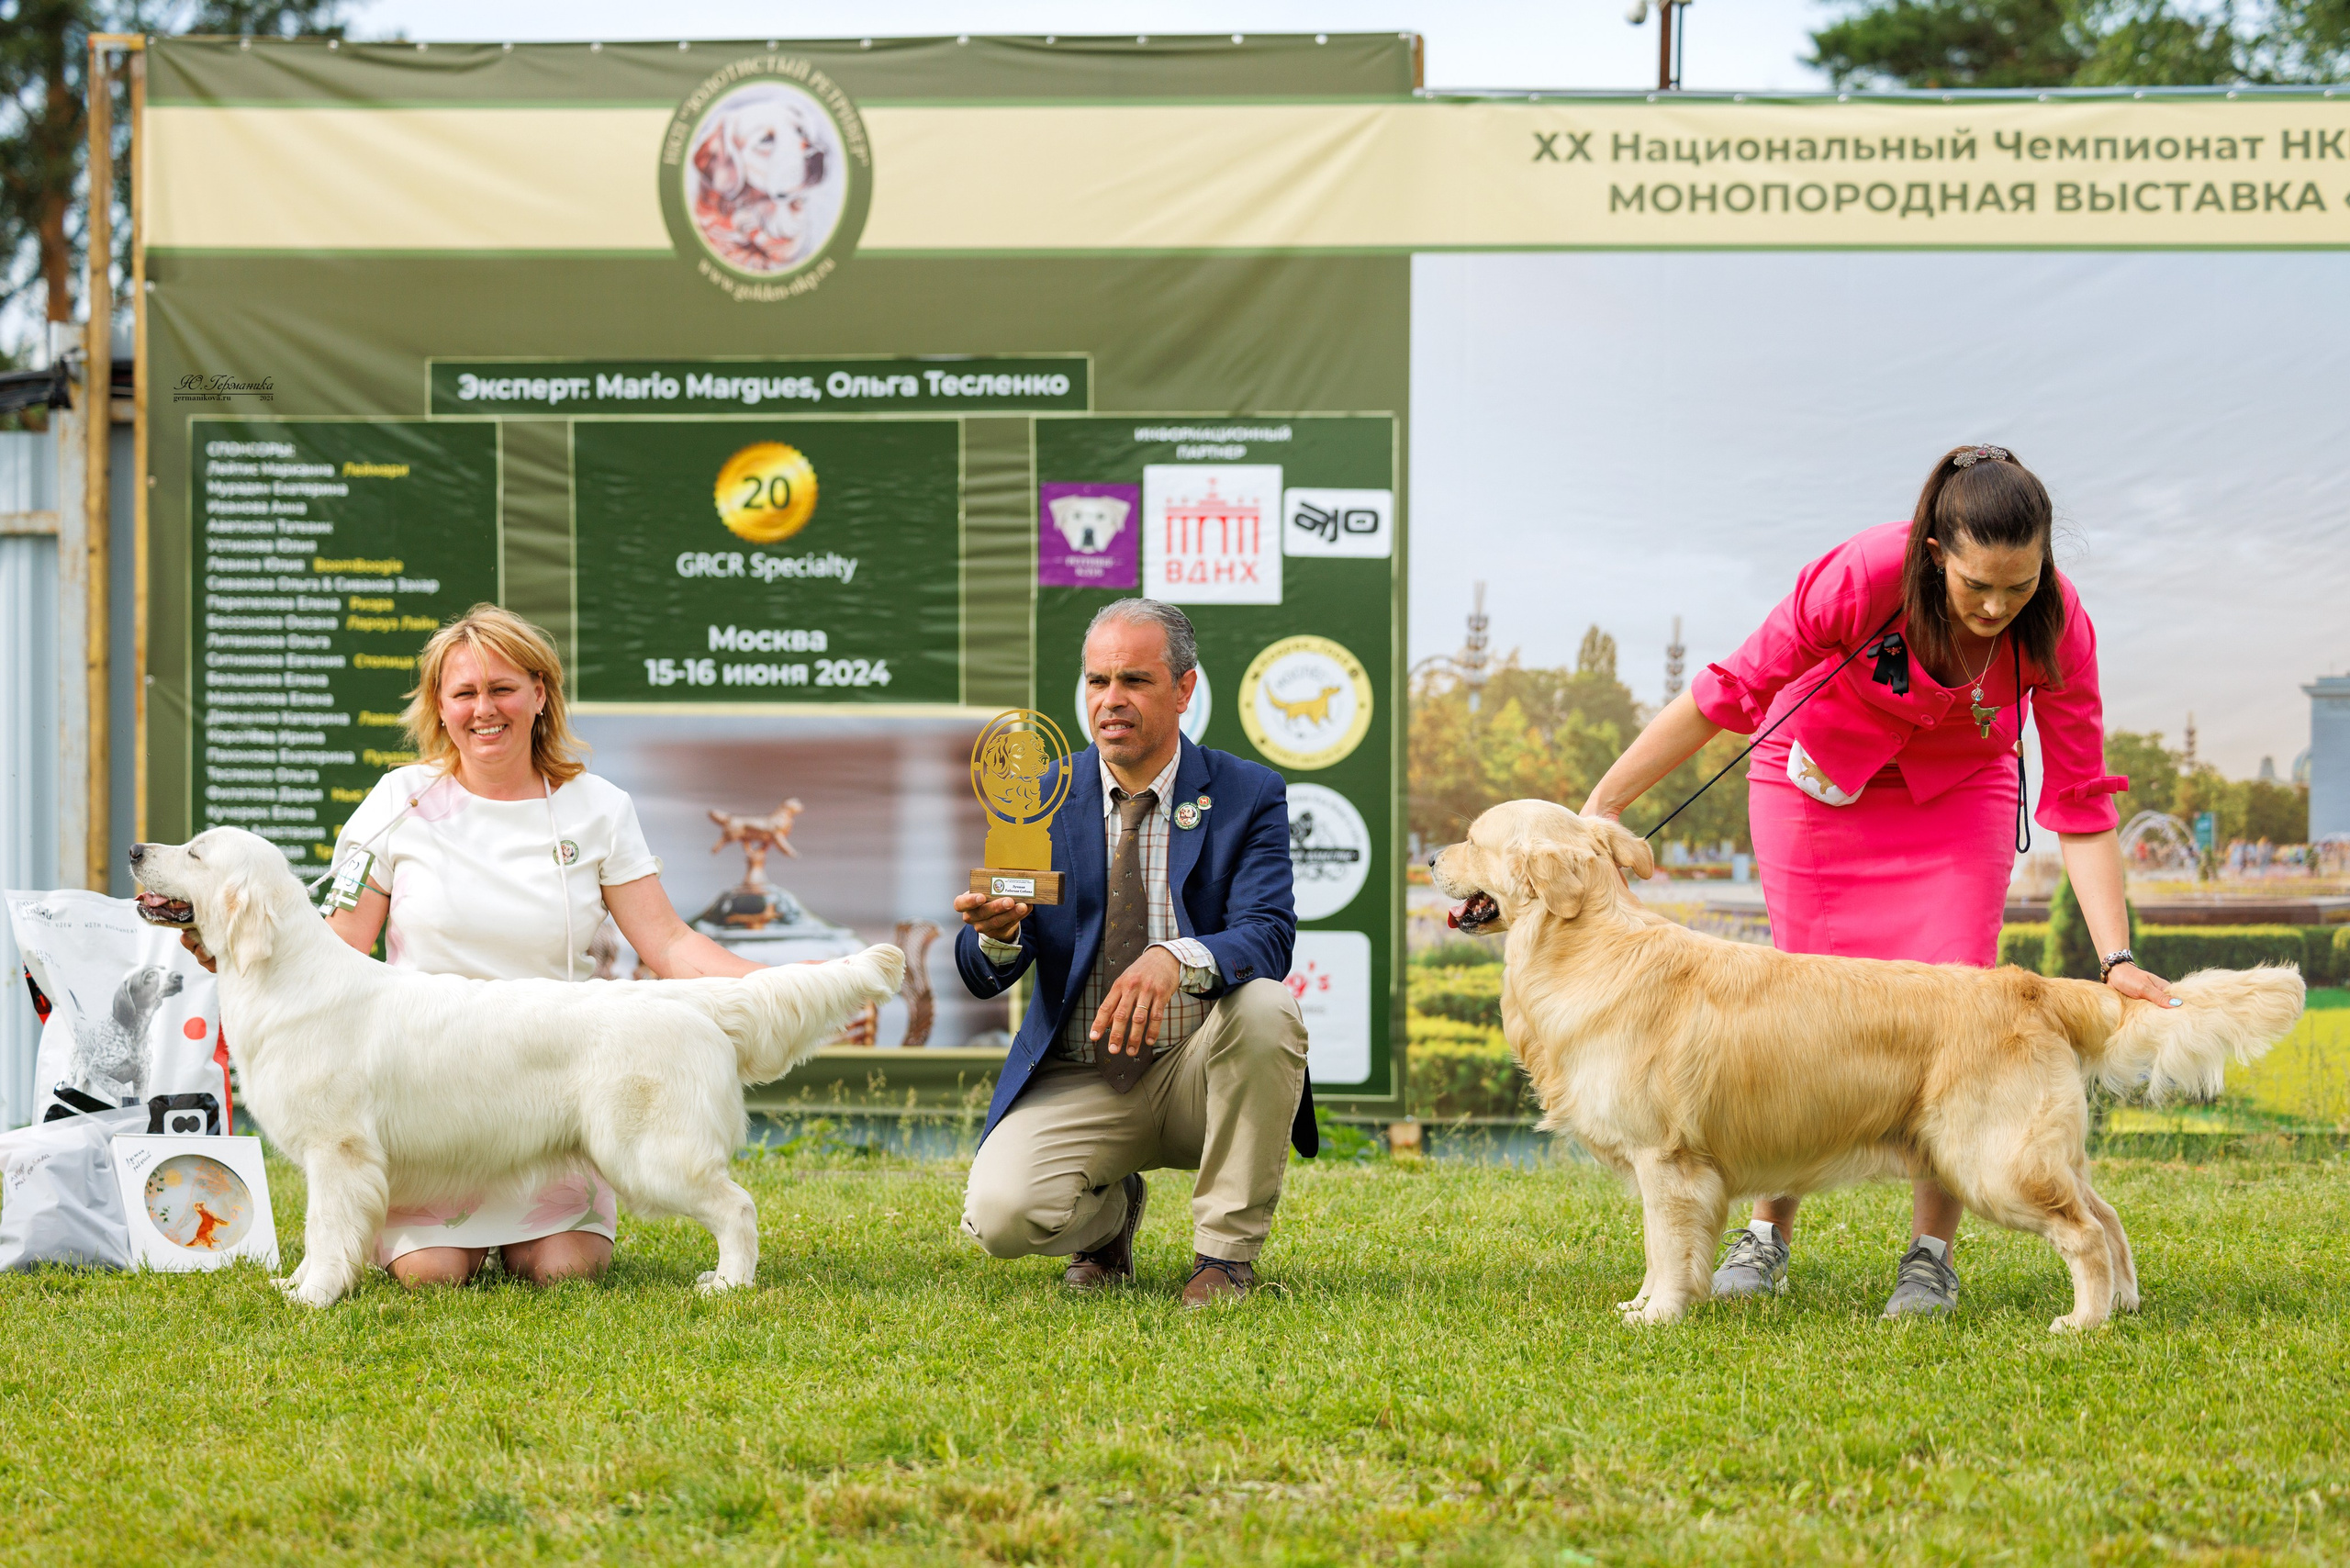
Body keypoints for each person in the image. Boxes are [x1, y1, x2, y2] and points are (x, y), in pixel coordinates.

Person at [1581, 445, 2177, 1318]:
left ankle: (1929, 1255)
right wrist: (1602, 805)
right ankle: (1766, 1233)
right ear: (1935, 554)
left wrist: (2117, 957)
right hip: (1817, 781)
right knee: (1797, 1015)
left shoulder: (2057, 625)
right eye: (1979, 586)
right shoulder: (1859, 578)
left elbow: (2081, 799)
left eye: (2021, 586)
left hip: (1959, 795)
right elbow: (1728, 691)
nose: (1998, 608)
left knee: (1953, 1016)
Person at [185, 604, 764, 1287]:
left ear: (540, 694)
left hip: (549, 1080)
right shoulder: (396, 803)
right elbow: (338, 946)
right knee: (430, 1274)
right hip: (428, 1097)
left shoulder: (598, 808)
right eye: (464, 693)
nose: (483, 710)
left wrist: (773, 986)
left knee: (563, 1271)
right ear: (440, 704)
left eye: (502, 688)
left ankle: (565, 1224)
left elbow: (668, 942)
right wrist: (235, 943)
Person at [953, 599, 1314, 1307]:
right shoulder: (1037, 794)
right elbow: (979, 972)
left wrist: (1175, 956)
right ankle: (1111, 1219)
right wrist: (997, 936)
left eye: (1134, 682)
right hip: (1081, 1073)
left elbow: (1269, 934)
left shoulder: (1247, 793)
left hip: (1196, 1071)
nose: (1110, 700)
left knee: (1268, 1006)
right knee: (999, 1219)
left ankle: (1223, 1259)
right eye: (1096, 682)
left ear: (1184, 689)